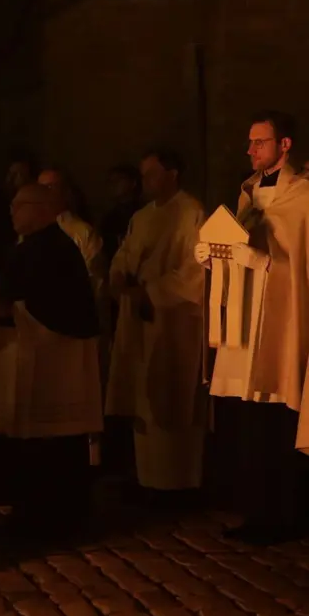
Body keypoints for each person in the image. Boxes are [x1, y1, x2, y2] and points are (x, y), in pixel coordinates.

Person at [200, 110, 309, 544]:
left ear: (284, 145)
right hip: (246, 322)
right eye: (249, 143)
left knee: (278, 417)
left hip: (282, 319)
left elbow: (299, 261)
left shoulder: (302, 197)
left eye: (259, 142)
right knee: (249, 419)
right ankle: (255, 510)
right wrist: (215, 253)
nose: (250, 150)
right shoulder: (247, 194)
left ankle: (284, 514)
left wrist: (263, 260)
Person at [0, 183, 103, 541]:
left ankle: (45, 517)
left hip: (50, 361)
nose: (12, 213)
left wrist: (5, 309)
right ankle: (33, 511)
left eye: (19, 207)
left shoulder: (51, 249)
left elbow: (56, 306)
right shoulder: (36, 246)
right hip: (30, 353)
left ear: (40, 209)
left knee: (47, 443)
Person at [106, 149, 205, 501]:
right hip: (139, 315)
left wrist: (151, 292)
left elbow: (196, 272)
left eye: (152, 174)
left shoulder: (191, 212)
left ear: (173, 174)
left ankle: (178, 484)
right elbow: (125, 254)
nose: (145, 182)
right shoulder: (143, 216)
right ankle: (147, 478)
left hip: (173, 320)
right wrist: (118, 278)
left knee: (172, 397)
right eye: (143, 175)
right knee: (143, 397)